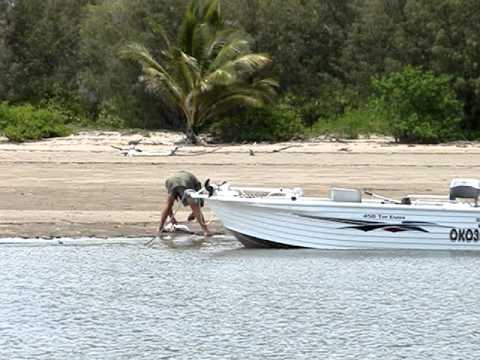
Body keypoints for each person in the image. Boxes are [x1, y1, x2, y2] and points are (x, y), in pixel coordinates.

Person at [158, 171, 211, 237]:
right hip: (185, 182)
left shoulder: (187, 177)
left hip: (171, 180)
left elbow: (169, 206)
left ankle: (160, 227)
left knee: (168, 204)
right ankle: (205, 230)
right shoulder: (197, 184)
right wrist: (193, 214)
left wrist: (172, 218)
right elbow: (199, 202)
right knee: (195, 206)